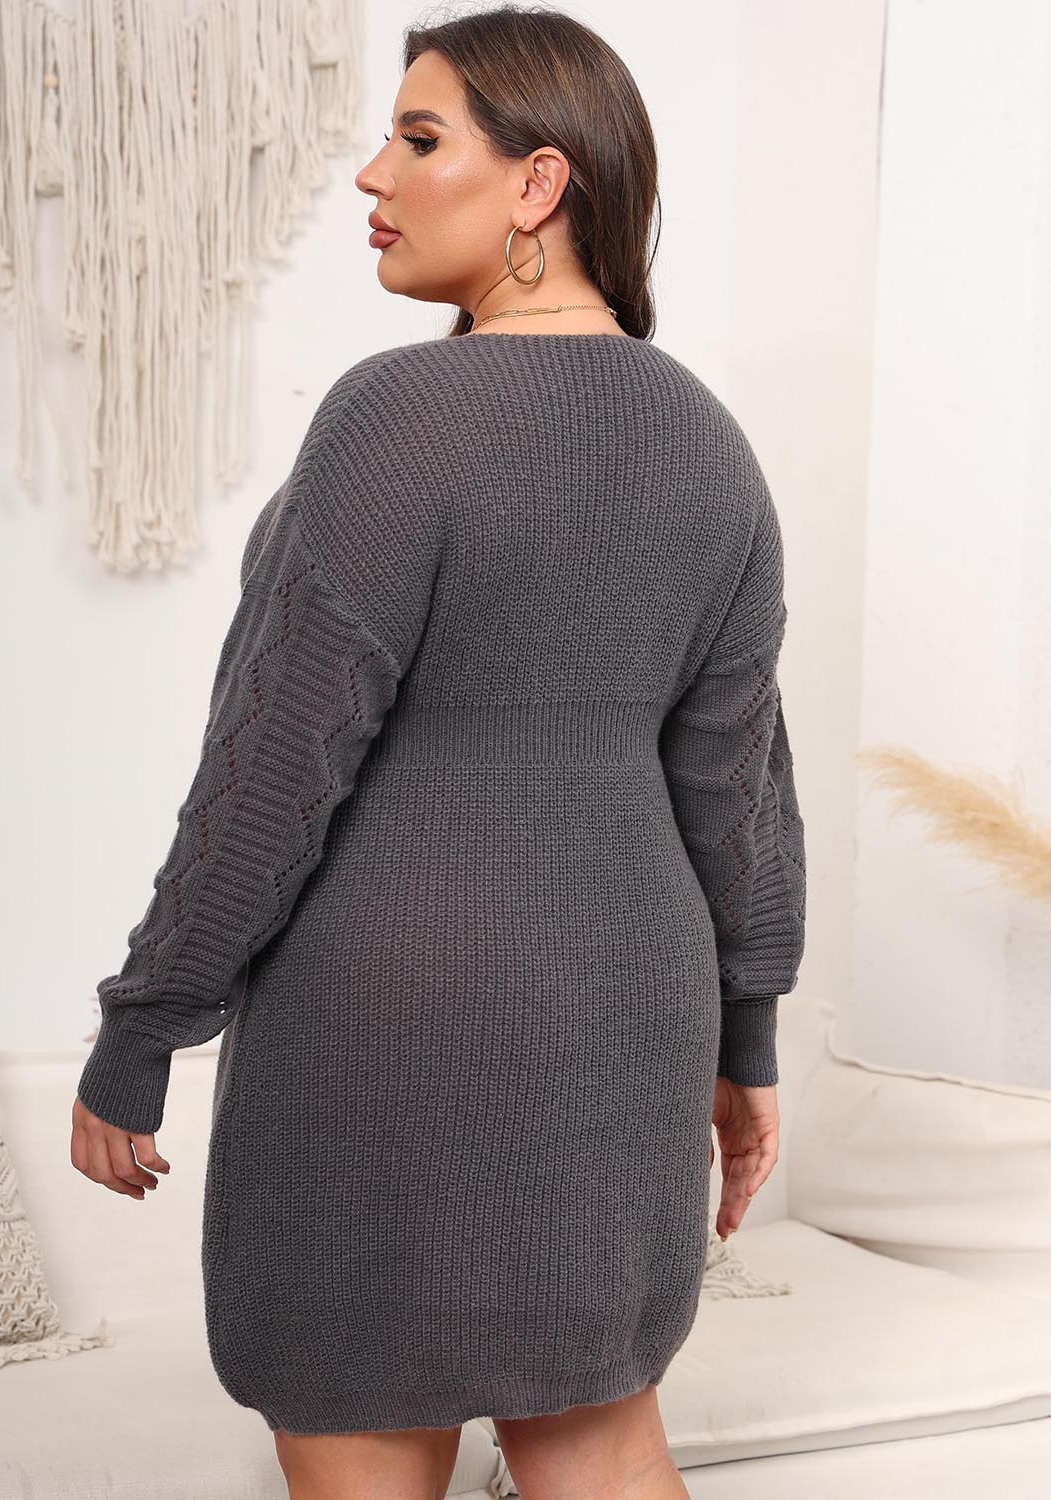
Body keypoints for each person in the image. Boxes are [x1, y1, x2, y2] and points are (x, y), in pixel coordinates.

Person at [71, 9, 806, 1500]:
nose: (372, 175)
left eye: (417, 140)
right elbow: (738, 793)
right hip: (626, 1023)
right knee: (599, 1439)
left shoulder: (397, 420)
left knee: (361, 1417)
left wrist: (145, 1026)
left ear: (538, 184)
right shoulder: (712, 445)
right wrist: (744, 1045)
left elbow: (270, 770)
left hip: (386, 1032)